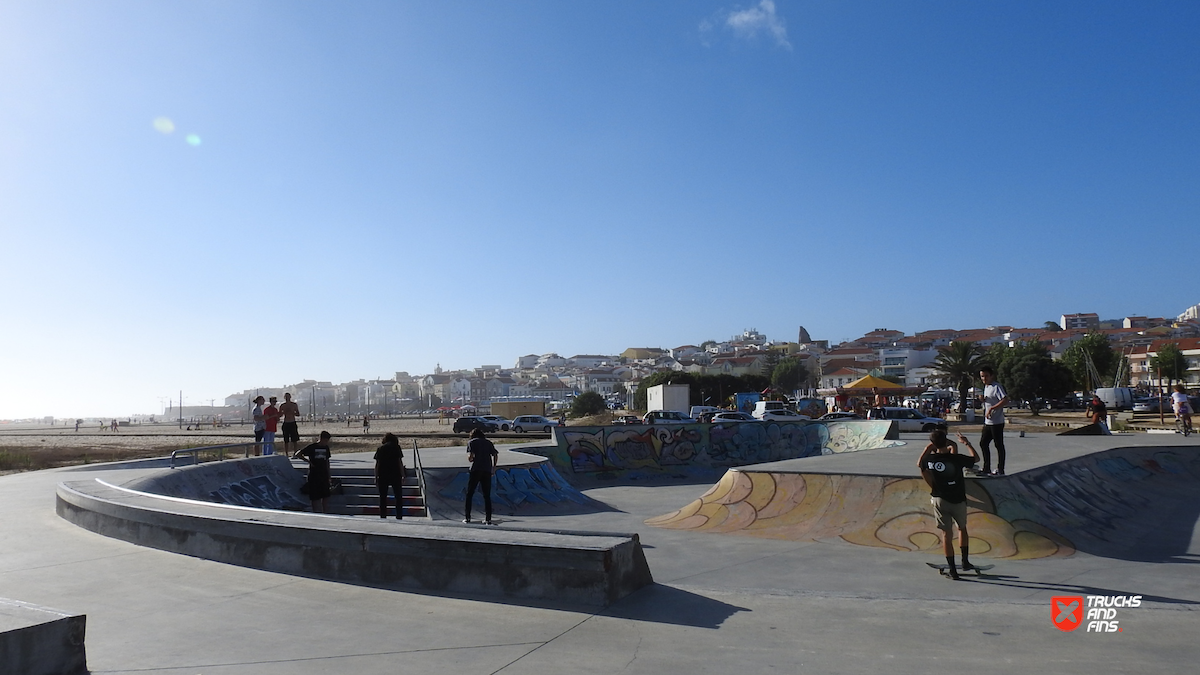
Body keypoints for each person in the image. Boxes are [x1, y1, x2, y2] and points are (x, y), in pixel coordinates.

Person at [917, 428, 981, 580]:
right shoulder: (957, 459)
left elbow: (920, 465)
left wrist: (929, 448)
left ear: (932, 444)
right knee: (962, 528)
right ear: (946, 441)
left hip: (940, 499)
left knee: (946, 534)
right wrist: (966, 443)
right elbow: (976, 458)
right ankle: (965, 562)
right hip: (958, 499)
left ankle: (953, 571)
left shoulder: (929, 460)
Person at [977, 366, 1009, 476]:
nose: (984, 378)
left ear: (991, 376)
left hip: (997, 422)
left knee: (998, 445)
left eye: (986, 376)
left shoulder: (997, 387)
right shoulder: (986, 387)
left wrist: (992, 408)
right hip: (988, 422)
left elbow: (1005, 400)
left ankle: (1000, 469)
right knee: (983, 443)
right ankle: (986, 468)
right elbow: (990, 400)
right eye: (982, 376)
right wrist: (983, 400)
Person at [464, 428, 499, 524]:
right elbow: (495, 455)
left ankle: (467, 518)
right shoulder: (488, 442)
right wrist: (493, 468)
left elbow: (471, 458)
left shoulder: (471, 442)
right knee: (486, 495)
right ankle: (488, 519)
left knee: (469, 494)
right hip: (487, 470)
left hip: (476, 470)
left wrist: (469, 457)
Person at [295, 431, 333, 513]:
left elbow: (327, 461)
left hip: (324, 473)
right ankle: (316, 511)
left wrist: (329, 475)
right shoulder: (312, 447)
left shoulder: (326, 448)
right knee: (314, 496)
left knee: (326, 495)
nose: (326, 443)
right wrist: (308, 461)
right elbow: (298, 454)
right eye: (325, 441)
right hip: (314, 474)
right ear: (321, 439)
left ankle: (325, 512)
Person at [374, 432, 405, 520]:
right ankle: (399, 515)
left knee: (383, 497)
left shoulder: (380, 448)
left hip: (383, 475)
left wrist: (375, 477)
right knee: (398, 496)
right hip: (395, 474)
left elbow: (377, 464)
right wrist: (403, 475)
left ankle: (383, 516)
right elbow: (400, 462)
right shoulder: (396, 448)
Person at [279, 393, 301, 457]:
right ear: (284, 397)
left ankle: (295, 453)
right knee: (286, 440)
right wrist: (284, 412)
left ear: (290, 397)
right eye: (286, 397)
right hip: (286, 422)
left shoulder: (294, 405)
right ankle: (286, 453)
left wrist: (292, 413)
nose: (287, 398)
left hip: (292, 422)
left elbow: (298, 414)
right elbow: (279, 414)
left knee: (294, 440)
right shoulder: (282, 405)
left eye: (288, 396)